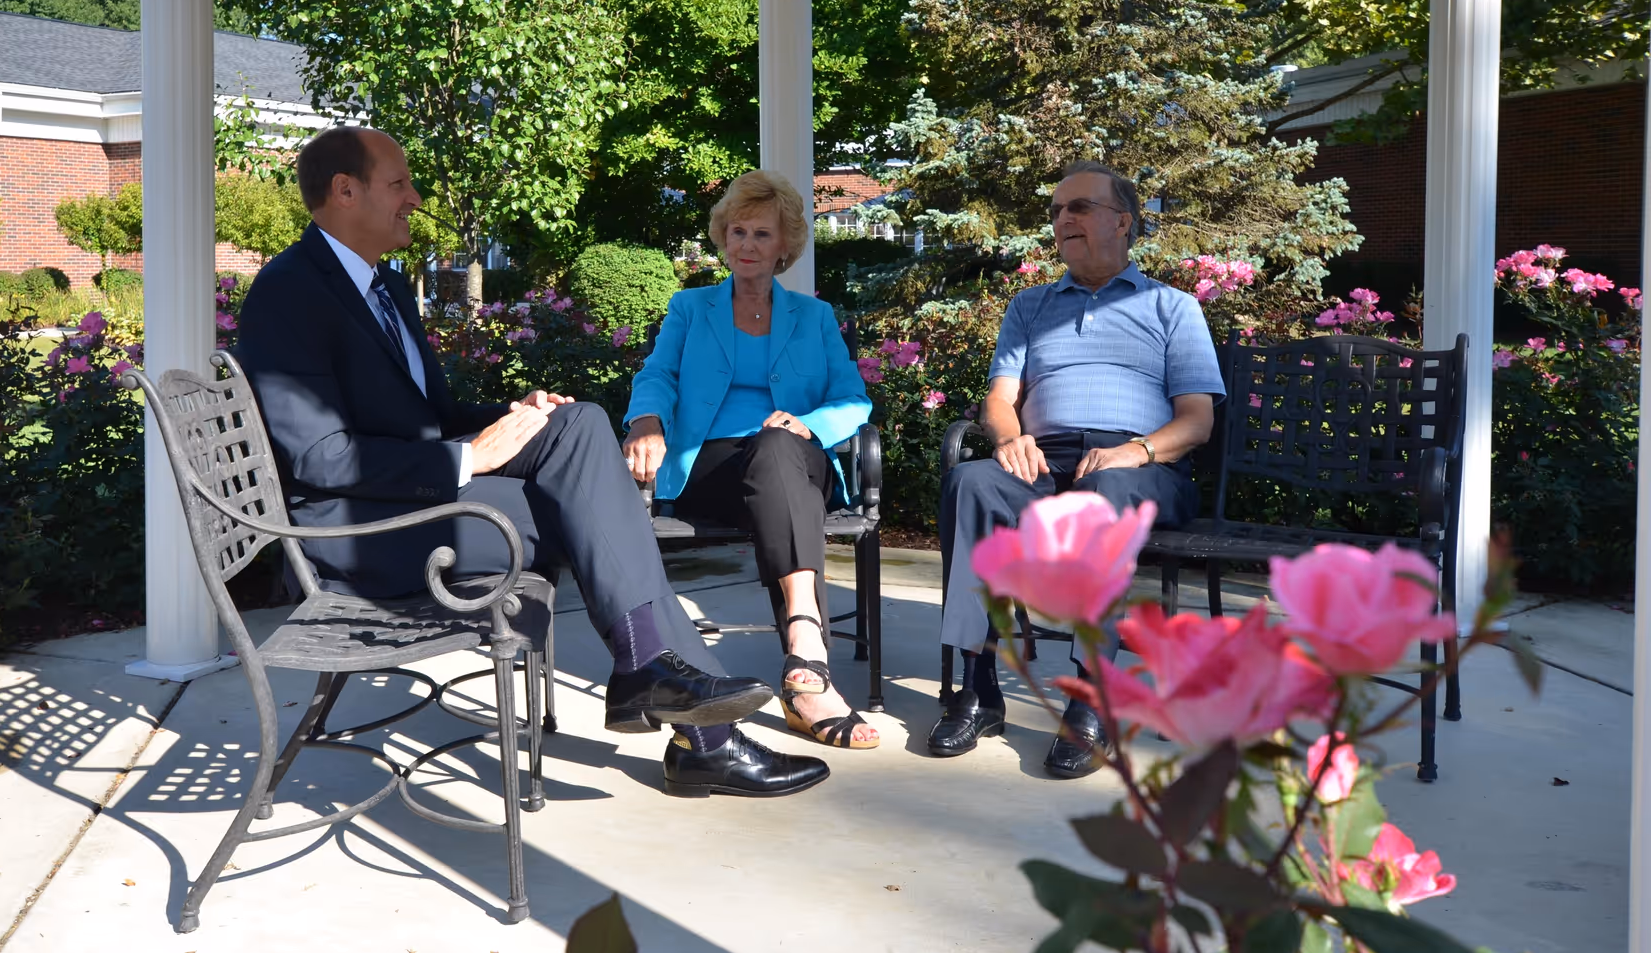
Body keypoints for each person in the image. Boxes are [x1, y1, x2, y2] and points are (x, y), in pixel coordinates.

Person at [236, 126, 830, 800]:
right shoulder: (289, 293)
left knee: (576, 424)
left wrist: (514, 417)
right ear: (345, 192)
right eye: (399, 183)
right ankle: (697, 729)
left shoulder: (388, 290)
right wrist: (468, 455)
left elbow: (429, 413)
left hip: (418, 497)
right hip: (366, 531)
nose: (415, 197)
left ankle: (651, 672)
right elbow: (320, 459)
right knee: (596, 515)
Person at [931, 160, 1224, 776]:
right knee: (972, 480)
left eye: (1080, 207)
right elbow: (1000, 398)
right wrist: (1009, 439)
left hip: (1140, 466)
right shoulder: (1031, 305)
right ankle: (977, 686)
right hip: (1044, 457)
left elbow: (1196, 422)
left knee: (1106, 486)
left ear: (1123, 222)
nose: (1063, 219)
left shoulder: (1172, 307)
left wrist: (1133, 450)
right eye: (1059, 210)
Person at [623, 171, 879, 750]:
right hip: (709, 469)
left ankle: (801, 637)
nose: (745, 245)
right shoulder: (690, 307)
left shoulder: (814, 317)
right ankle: (807, 661)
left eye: (761, 234)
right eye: (736, 231)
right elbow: (658, 374)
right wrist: (646, 422)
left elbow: (853, 399)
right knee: (773, 467)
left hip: (793, 457)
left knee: (776, 448)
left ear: (785, 245)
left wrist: (808, 423)